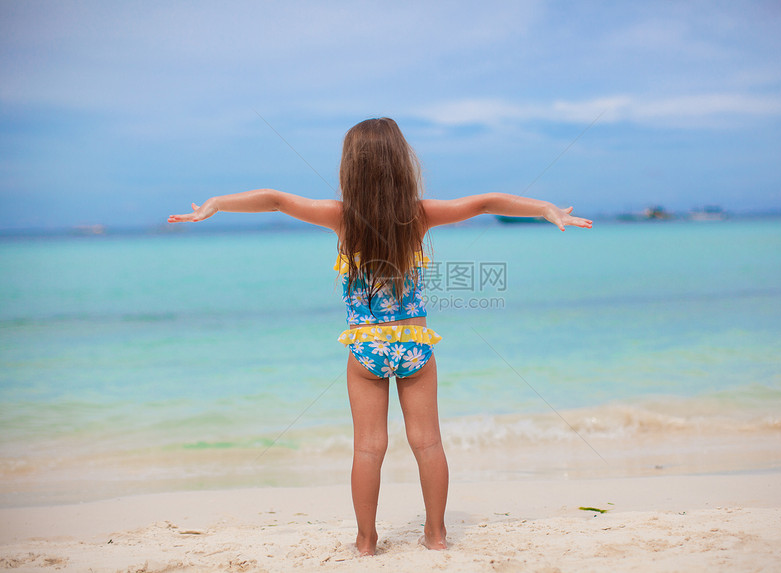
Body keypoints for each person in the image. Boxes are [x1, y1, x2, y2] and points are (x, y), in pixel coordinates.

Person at [168, 117, 592, 556]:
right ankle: (437, 535)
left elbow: (275, 200)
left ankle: (366, 541)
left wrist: (216, 202)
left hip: (366, 346)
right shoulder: (420, 216)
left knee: (369, 448)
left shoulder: (341, 218)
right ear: (402, 165)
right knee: (427, 442)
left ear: (350, 169)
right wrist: (545, 208)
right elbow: (485, 203)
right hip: (414, 345)